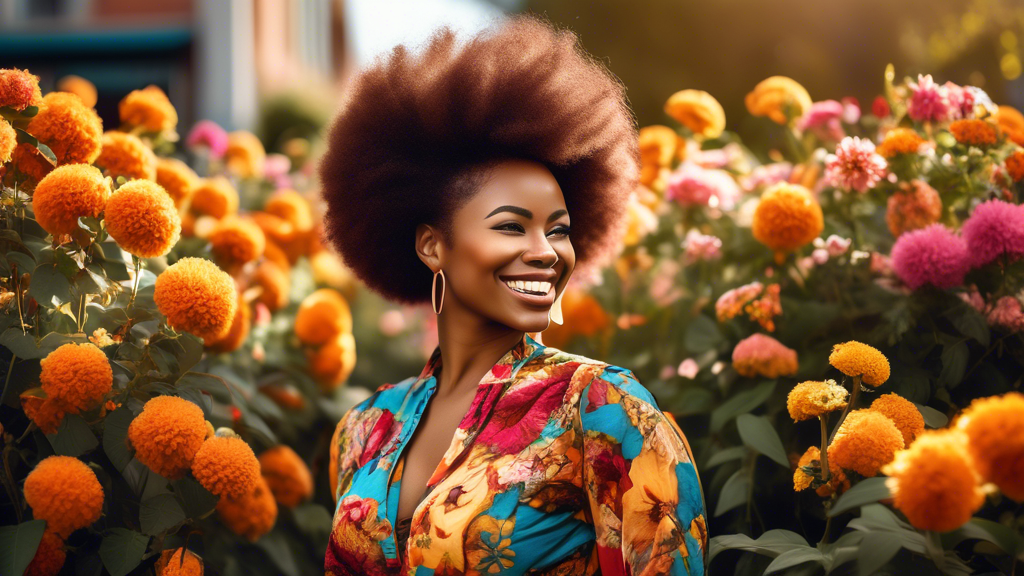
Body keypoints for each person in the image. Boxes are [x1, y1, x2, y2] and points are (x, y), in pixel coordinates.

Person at [318, 14, 707, 576]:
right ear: (432, 245)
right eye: (510, 226)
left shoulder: (602, 409)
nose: (547, 251)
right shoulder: (363, 429)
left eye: (558, 229)